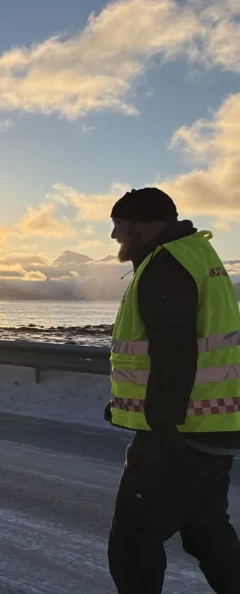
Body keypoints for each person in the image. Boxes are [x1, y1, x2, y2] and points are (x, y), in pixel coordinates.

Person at [105, 187, 240, 593]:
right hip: (213, 424)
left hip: (180, 432)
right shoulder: (197, 255)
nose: (115, 236)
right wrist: (126, 404)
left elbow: (174, 350)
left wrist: (161, 427)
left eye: (119, 225)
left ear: (146, 224)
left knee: (133, 540)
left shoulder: (166, 265)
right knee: (206, 531)